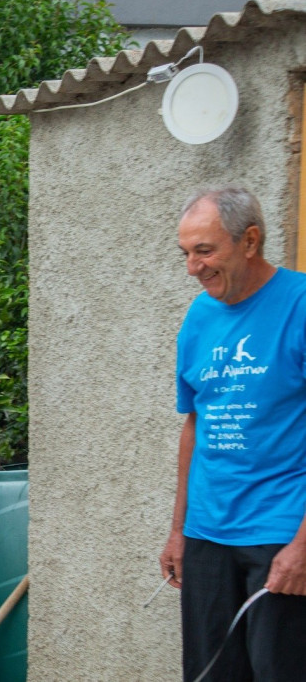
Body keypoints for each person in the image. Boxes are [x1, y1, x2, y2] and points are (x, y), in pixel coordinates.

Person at [159, 187, 306, 680]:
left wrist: (304, 544)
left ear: (250, 241)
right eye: (186, 253)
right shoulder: (199, 318)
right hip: (207, 534)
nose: (192, 268)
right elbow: (195, 424)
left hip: (280, 534)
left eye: (205, 250)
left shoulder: (300, 305)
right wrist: (179, 530)